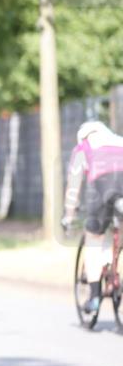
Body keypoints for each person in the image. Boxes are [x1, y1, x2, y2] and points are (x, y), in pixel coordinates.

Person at [62, 119, 123, 313]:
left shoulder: (83, 148)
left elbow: (73, 188)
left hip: (104, 186)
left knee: (93, 238)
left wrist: (68, 216)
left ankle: (95, 297)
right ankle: (115, 271)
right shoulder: (120, 141)